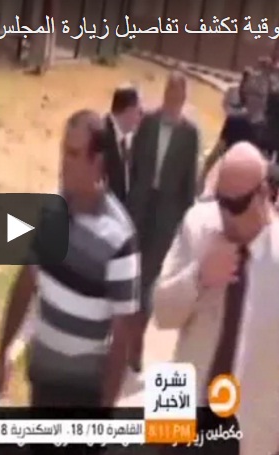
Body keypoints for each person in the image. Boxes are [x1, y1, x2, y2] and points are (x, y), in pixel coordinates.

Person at [0, 110, 140, 416]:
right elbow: (25, 285)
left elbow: (122, 337)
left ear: (97, 161)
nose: (63, 163)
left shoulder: (120, 238)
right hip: (41, 382)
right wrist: (2, 352)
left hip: (83, 396)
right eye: (63, 151)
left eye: (73, 154)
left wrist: (105, 414)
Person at [152, 142, 279, 455]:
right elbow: (161, 314)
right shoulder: (198, 225)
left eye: (236, 206)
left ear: (263, 194)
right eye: (221, 202)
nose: (225, 216)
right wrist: (198, 277)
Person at [126, 71, 199, 372]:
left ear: (184, 99)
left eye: (178, 96)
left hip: (166, 214)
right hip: (139, 206)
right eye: (169, 93)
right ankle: (117, 332)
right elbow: (132, 163)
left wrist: (184, 224)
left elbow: (189, 183)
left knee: (148, 278)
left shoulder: (190, 134)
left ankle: (136, 343)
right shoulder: (148, 122)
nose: (172, 99)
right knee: (128, 270)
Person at [202, 71, 271, 188]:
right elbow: (217, 152)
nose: (255, 100)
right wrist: (203, 178)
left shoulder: (271, 131)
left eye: (259, 95)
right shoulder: (234, 121)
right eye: (253, 94)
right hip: (228, 182)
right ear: (247, 96)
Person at [103, 85, 142, 204]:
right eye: (139, 112)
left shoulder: (126, 139)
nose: (140, 118)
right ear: (129, 111)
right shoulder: (101, 136)